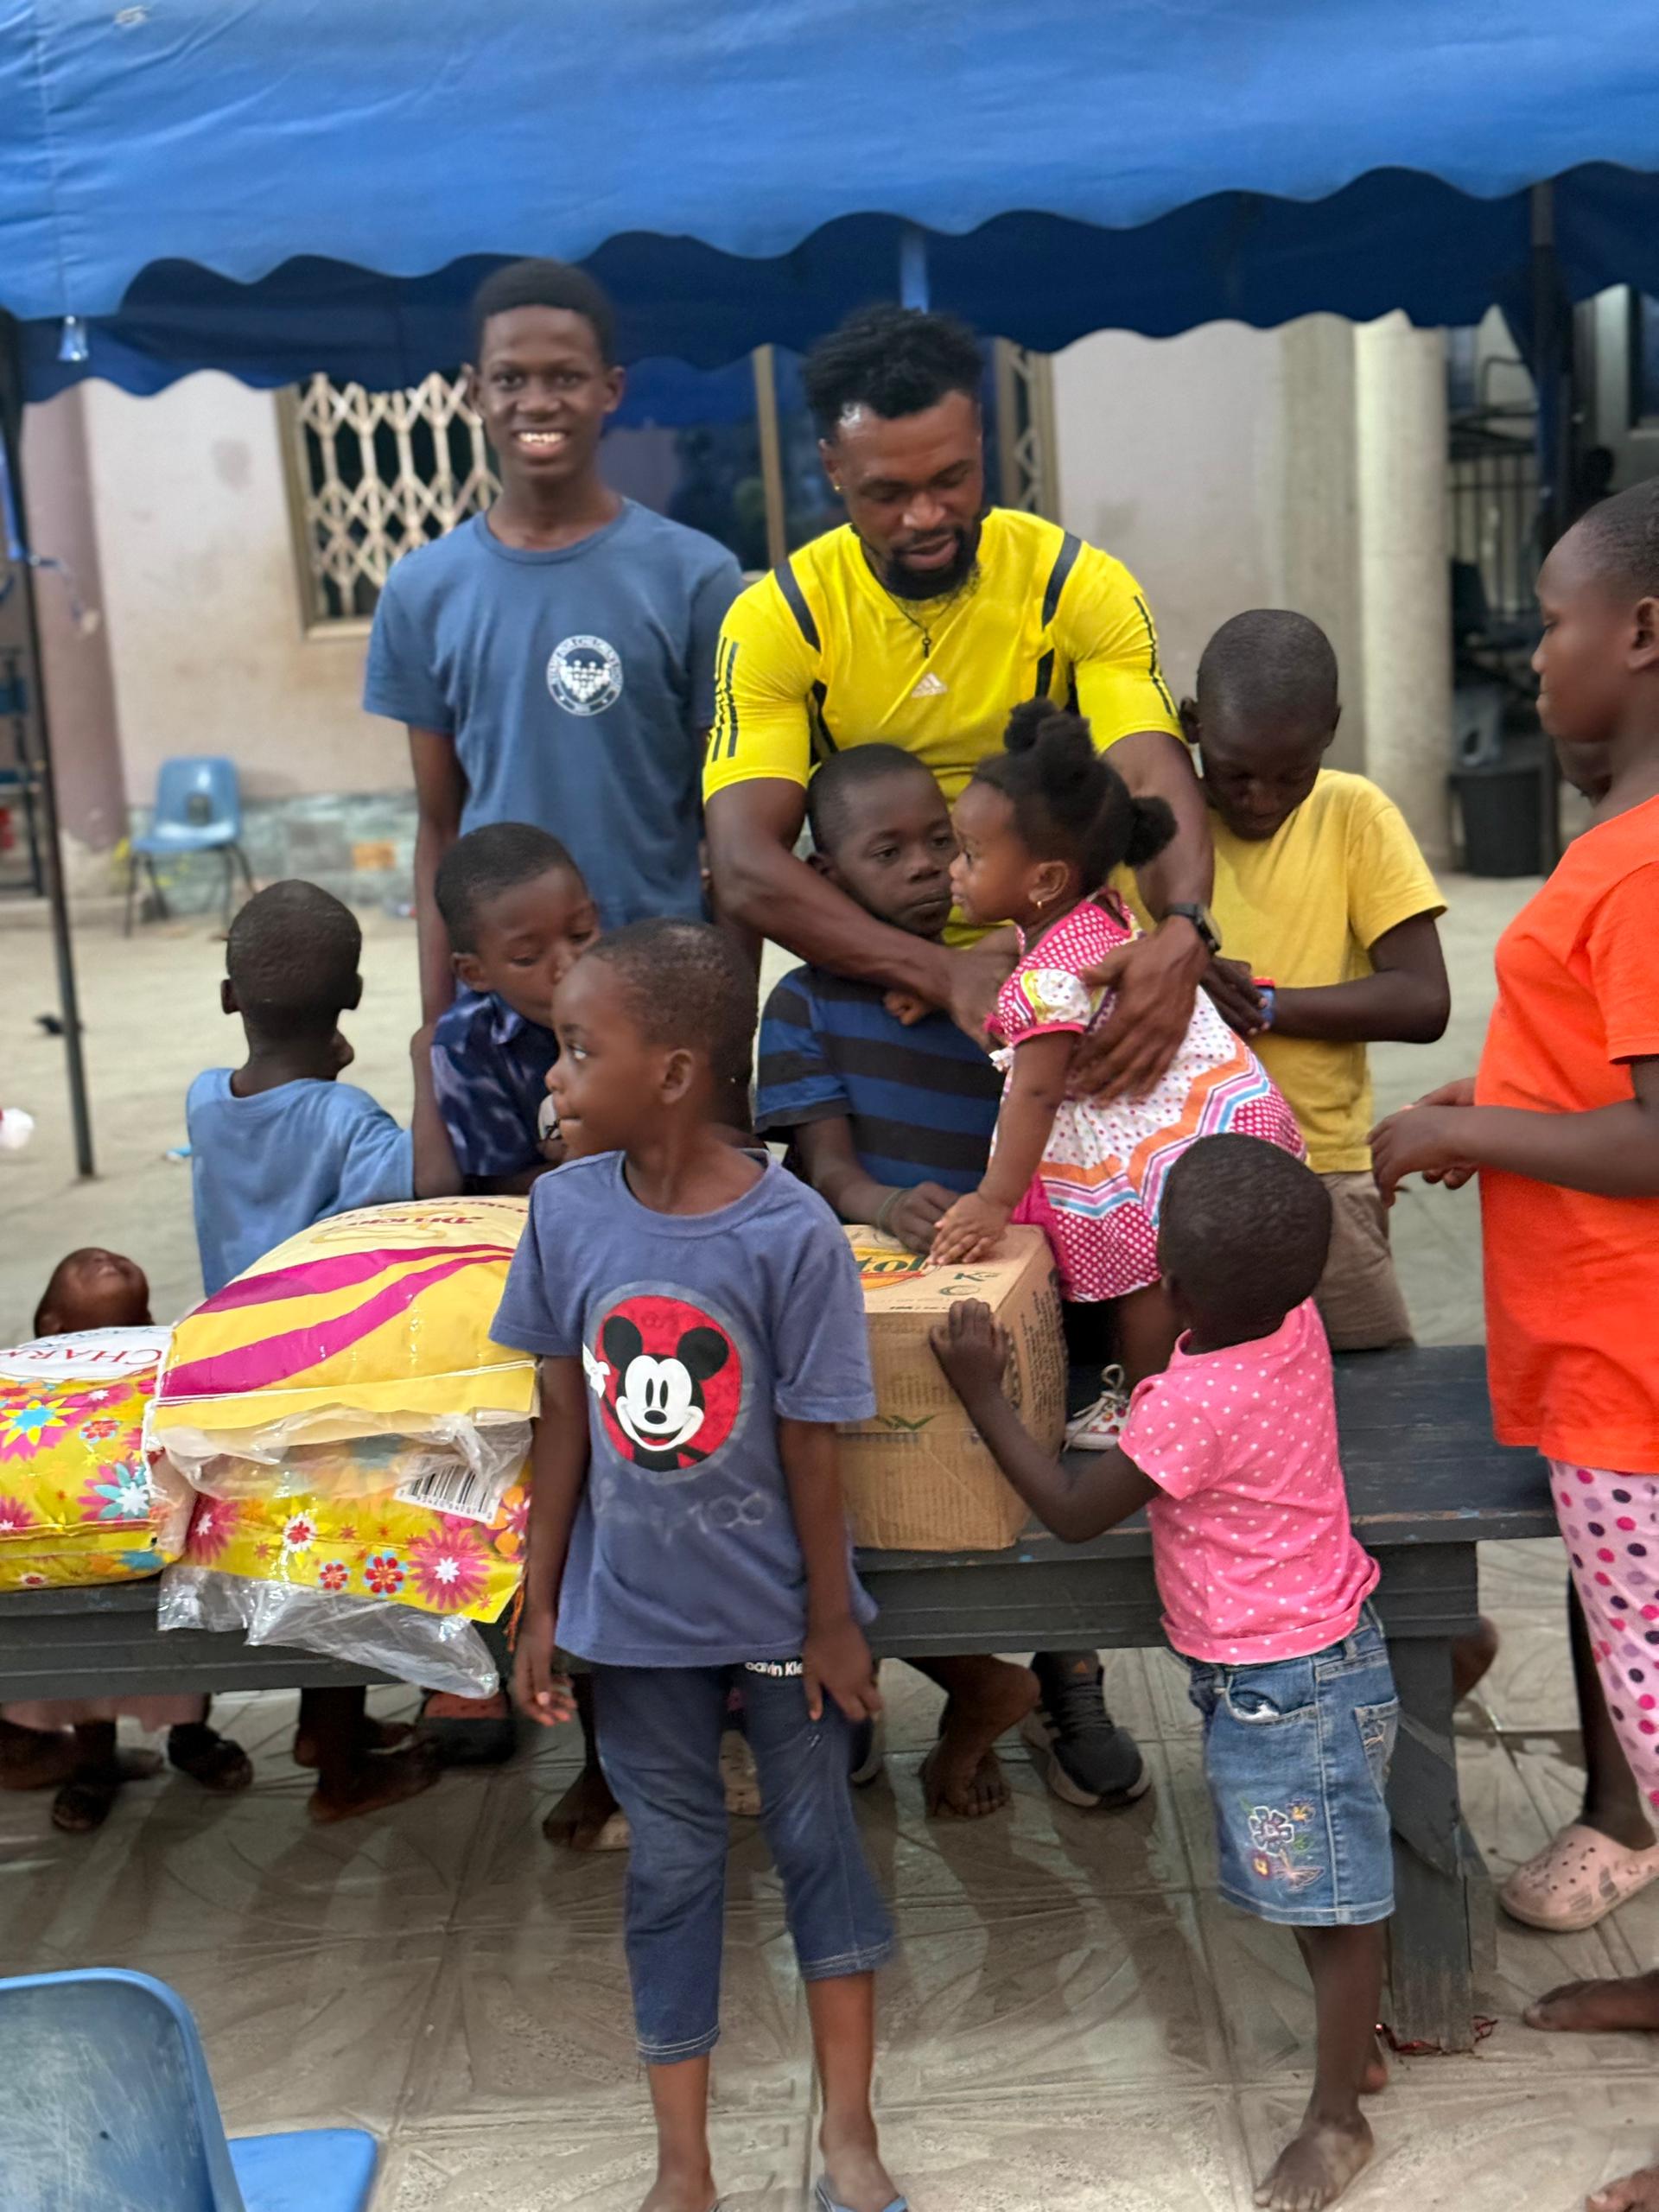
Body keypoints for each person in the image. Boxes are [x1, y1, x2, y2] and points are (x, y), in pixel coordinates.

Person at [498, 919, 903, 2212]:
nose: (553, 1076)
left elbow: (814, 1443)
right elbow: (565, 1419)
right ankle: (685, 2167)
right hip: (634, 1623)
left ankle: (851, 2140)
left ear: (673, 1073)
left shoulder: (790, 1235)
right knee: (670, 1868)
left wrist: (833, 1620)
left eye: (578, 1048)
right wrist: (543, 1600)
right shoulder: (562, 1211)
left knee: (818, 1847)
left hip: (783, 1614)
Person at [1371, 480, 1659, 2212]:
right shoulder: (1613, 851)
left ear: (1638, 631)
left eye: (1549, 621)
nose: (1529, 654)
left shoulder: (1642, 863)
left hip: (1641, 1388)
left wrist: (1464, 1141)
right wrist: (1489, 1100)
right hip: (1604, 1381)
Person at [933, 1135, 1395, 2212]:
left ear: (1174, 1286)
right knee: (1324, 1888)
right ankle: (1351, 2057)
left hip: (1285, 1688)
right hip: (1311, 1659)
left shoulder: (1194, 1400)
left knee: (1336, 1902)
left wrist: (982, 1391)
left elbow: (1070, 1513)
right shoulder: (1295, 1322)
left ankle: (1339, 2118)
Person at [702, 303, 1221, 1096]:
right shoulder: (781, 618)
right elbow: (743, 864)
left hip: (1063, 958)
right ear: (832, 467)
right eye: (887, 492)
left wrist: (1184, 930)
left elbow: (1150, 774)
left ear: (980, 440)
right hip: (876, 979)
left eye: (951, 480)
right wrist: (945, 974)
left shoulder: (1072, 584)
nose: (926, 517)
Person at [754, 745, 1068, 1820]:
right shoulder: (802, 1002)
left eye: (940, 840)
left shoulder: (1006, 976)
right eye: (888, 852)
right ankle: (961, 1680)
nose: (928, 868)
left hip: (1000, 1276)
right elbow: (825, 1165)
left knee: (1004, 1479)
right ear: (826, 874)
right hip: (868, 1284)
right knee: (855, 1486)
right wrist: (885, 1205)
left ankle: (1064, 1676)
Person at [362, 258, 744, 1021]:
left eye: (565, 377)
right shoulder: (421, 590)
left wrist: (731, 1029)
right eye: (511, 379)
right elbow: (439, 830)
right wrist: (437, 1034)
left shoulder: (696, 576)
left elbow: (730, 832)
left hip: (661, 995)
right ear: (474, 391)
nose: (538, 401)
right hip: (500, 1016)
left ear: (611, 389)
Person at [932, 700, 1303, 1410]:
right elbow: (1028, 940)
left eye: (971, 855)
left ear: (1043, 880)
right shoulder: (1099, 913)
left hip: (1144, 1150)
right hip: (1196, 1120)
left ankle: (1144, 1407)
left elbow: (1036, 1095)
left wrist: (993, 1200)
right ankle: (1197, 1398)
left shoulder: (1047, 985)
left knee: (1145, 1281)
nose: (954, 870)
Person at [186, 879, 459, 1818]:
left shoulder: (200, 1100)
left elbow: (272, 1113)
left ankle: (317, 1729)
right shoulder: (351, 1122)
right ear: (351, 1002)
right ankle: (341, 1771)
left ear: (230, 997)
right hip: (322, 1378)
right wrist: (428, 1068)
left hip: (229, 1369)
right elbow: (428, 1184)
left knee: (292, 1558)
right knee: (332, 1567)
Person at [1177, 610, 1451, 1351]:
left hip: (1320, 1170)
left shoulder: (1352, 814)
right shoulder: (1154, 831)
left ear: (1330, 728)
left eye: (1290, 775)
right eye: (1237, 775)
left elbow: (1424, 999)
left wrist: (1263, 1006)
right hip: (1169, 1174)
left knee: (1375, 1381)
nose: (1262, 798)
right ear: (1191, 724)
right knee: (1199, 1387)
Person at [0, 1249, 253, 1834]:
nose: (103, 1257)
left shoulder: (162, 1364)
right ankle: (95, 1763)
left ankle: (192, 1737)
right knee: (86, 1670)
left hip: (150, 1546)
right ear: (50, 1327)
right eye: (81, 1266)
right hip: (70, 1546)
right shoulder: (26, 1380)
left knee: (182, 1652)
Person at [431, 822, 600, 1191]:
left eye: (581, 935)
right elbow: (500, 1185)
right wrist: (597, 1158)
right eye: (527, 957)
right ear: (474, 972)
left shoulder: (635, 1001)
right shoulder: (465, 1044)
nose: (568, 965)